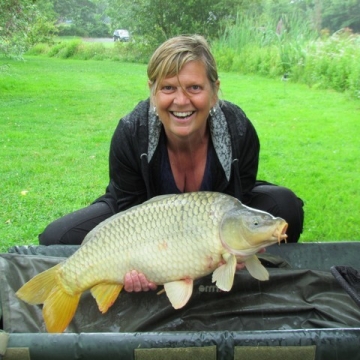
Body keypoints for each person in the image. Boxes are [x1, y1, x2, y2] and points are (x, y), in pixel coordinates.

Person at [39, 34, 304, 292]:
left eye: (194, 88)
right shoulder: (132, 132)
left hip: (213, 221)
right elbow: (131, 212)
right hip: (140, 216)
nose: (181, 101)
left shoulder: (239, 130)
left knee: (286, 206)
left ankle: (253, 278)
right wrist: (150, 264)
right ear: (153, 92)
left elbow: (237, 198)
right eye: (168, 88)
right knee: (56, 239)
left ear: (214, 92)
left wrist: (234, 250)